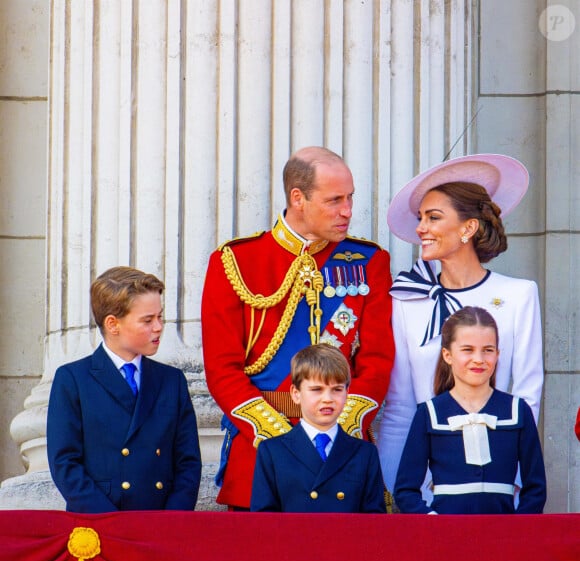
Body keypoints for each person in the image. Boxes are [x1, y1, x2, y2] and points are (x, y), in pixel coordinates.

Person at [202, 145, 395, 510]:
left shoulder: (370, 261)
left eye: (350, 198)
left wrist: (338, 424)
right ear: (298, 198)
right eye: (334, 200)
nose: (348, 211)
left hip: (341, 449)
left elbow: (378, 360)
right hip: (261, 453)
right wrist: (281, 441)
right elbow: (221, 369)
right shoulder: (236, 261)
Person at [376, 154, 544, 497]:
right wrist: (398, 491)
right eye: (421, 218)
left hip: (495, 481)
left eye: (433, 217)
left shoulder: (518, 294)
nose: (421, 228)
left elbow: (527, 399)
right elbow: (400, 408)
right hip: (425, 487)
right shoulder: (406, 299)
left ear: (468, 228)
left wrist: (508, 483)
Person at [47, 266, 202, 513]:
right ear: (113, 324)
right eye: (147, 320)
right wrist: (110, 522)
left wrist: (173, 520)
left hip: (161, 525)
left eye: (160, 317)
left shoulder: (172, 381)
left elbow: (188, 463)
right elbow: (65, 463)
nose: (159, 327)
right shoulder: (73, 379)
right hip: (99, 524)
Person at [394, 306, 546, 514]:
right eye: (468, 350)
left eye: (488, 350)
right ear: (447, 355)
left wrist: (517, 528)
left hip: (504, 537)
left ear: (498, 354)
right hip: (446, 536)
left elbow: (536, 488)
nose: (479, 359)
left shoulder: (518, 411)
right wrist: (431, 521)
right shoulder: (429, 413)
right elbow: (405, 490)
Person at [250, 344, 386, 512]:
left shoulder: (365, 453)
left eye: (337, 389)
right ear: (296, 393)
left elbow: (374, 521)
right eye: (317, 390)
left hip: (347, 538)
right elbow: (264, 521)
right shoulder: (272, 451)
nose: (327, 399)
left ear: (347, 392)